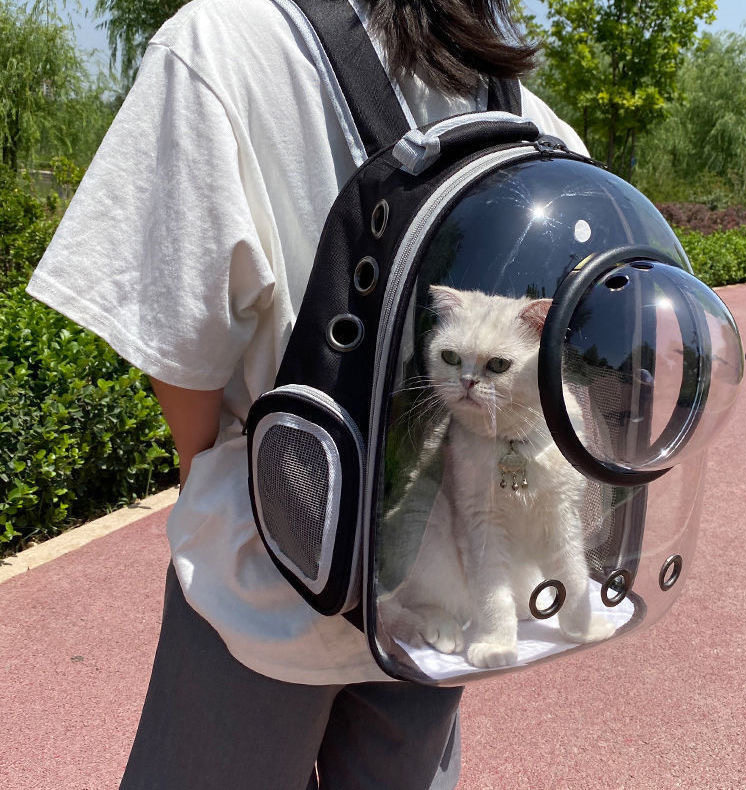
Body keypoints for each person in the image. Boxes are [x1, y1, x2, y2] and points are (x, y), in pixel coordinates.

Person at [26, 0, 589, 787]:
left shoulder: (220, 43)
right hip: (435, 602)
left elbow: (181, 347)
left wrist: (207, 477)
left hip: (265, 581)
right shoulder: (527, 114)